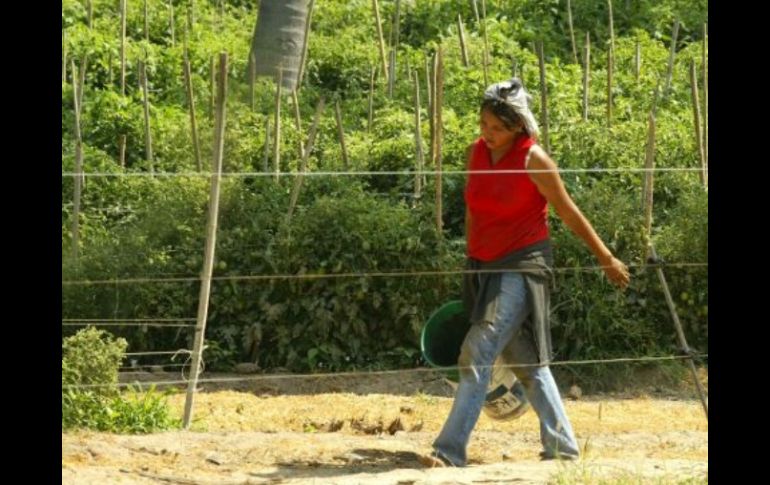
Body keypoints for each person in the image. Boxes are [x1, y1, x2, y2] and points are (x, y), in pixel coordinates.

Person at [420, 78, 630, 467]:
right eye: (484, 125)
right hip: (483, 266)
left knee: (477, 351)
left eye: (497, 128)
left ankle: (449, 452)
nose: (488, 134)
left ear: (518, 125)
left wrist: (605, 257)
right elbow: (472, 210)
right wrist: (472, 261)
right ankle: (563, 448)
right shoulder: (475, 154)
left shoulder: (535, 160)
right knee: (527, 362)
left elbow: (568, 211)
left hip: (522, 264)